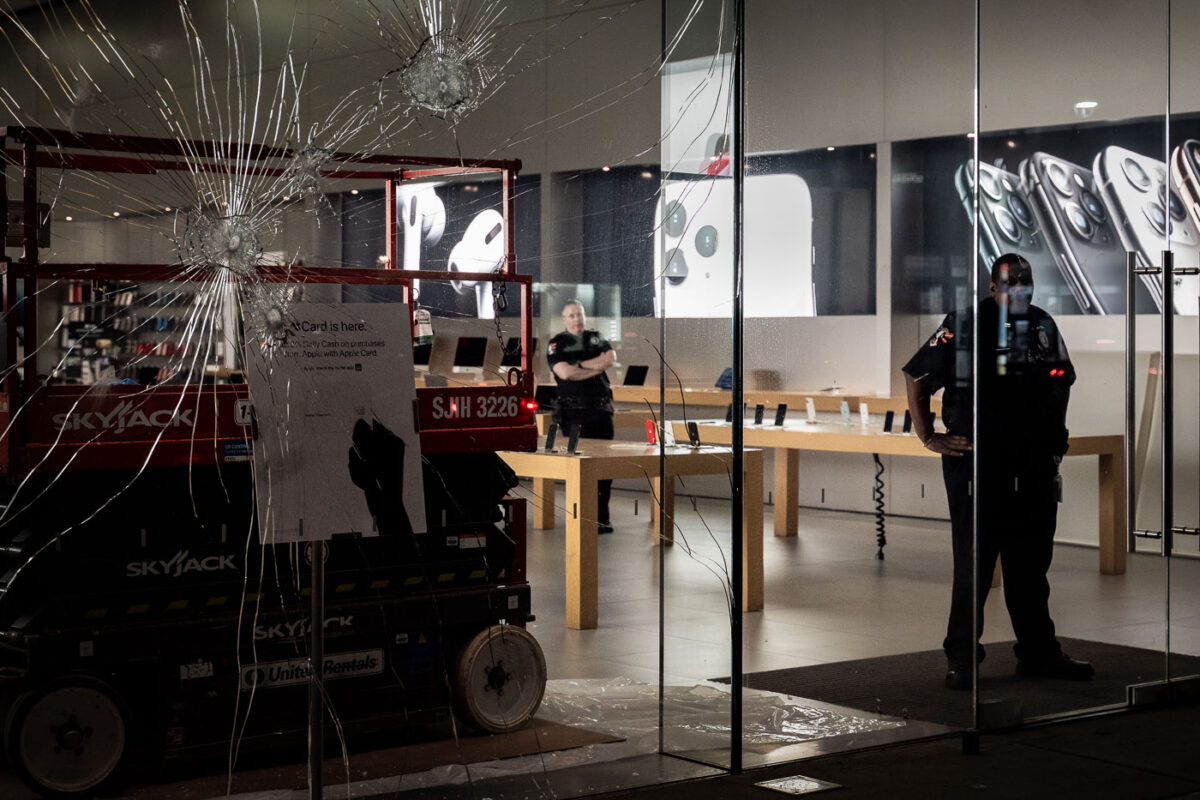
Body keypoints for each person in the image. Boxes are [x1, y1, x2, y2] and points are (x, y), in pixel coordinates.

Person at [903, 253, 1095, 691]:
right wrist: (927, 434)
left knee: (1030, 565)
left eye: (1026, 282)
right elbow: (916, 375)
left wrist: (1055, 441)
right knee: (974, 564)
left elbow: (1061, 380)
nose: (1020, 290)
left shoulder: (1043, 325)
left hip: (1032, 463)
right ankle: (962, 658)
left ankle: (1038, 652)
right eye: (1011, 283)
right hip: (977, 462)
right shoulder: (964, 324)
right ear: (992, 288)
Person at [547, 299, 616, 533]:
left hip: (602, 411)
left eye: (580, 314)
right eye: (572, 315)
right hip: (575, 414)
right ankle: (582, 520)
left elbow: (610, 359)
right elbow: (565, 373)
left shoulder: (595, 337)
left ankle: (601, 519)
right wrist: (595, 368)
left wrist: (580, 365)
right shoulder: (558, 343)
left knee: (605, 469)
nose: (577, 319)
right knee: (580, 467)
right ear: (564, 320)